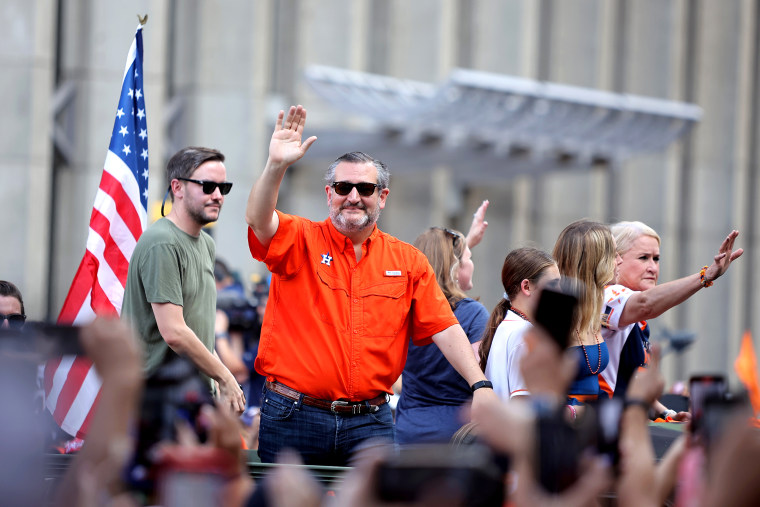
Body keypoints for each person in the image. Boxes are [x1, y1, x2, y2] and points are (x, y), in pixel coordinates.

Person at [245, 105, 496, 465]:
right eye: (344, 187)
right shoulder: (300, 238)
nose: (354, 196)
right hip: (293, 415)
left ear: (382, 197)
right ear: (329, 194)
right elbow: (257, 220)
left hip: (370, 422)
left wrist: (480, 384)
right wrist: (276, 166)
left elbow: (444, 327)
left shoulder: (408, 260)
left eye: (365, 188)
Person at [122, 146, 245, 414]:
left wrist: (217, 381)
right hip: (156, 398)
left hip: (188, 393)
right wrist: (225, 376)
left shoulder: (206, 245)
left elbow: (195, 332)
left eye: (223, 188)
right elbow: (175, 333)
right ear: (177, 188)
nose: (217, 196)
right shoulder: (163, 242)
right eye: (208, 186)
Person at [601, 221, 742, 416]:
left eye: (656, 259)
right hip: (600, 427)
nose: (652, 267)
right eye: (643, 258)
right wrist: (706, 276)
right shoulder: (606, 295)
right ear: (615, 259)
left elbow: (634, 387)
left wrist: (668, 414)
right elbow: (645, 304)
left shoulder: (637, 319)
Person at [394, 225, 489, 444]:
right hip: (454, 433)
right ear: (455, 267)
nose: (472, 263)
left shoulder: (405, 310)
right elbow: (480, 371)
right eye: (469, 257)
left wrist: (466, 242)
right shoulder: (472, 313)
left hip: (407, 429)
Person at [479, 247, 560, 400]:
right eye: (553, 284)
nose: (559, 290)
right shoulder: (524, 333)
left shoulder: (511, 324)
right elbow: (522, 402)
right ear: (526, 287)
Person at [552, 220, 616, 408]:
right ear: (594, 262)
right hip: (564, 428)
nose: (619, 260)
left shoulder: (592, 308)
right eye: (613, 254)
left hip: (590, 424)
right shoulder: (556, 314)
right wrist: (704, 277)